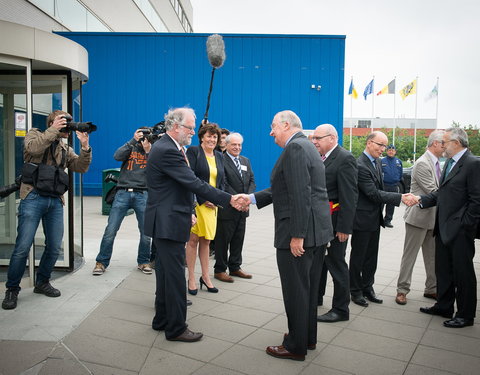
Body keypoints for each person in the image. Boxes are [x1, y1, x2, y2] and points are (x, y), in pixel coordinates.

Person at [144, 107, 243, 342]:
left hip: (169, 218)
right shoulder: (168, 149)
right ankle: (176, 328)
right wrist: (228, 198)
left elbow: (177, 186)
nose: (193, 132)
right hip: (168, 221)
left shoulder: (172, 147)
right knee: (176, 275)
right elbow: (193, 182)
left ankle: (161, 319)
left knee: (166, 273)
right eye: (190, 127)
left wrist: (188, 209)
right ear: (176, 127)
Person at [241, 110, 333, 361]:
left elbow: (301, 195)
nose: (270, 132)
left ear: (285, 125)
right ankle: (306, 338)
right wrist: (250, 199)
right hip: (317, 232)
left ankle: (295, 346)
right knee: (309, 288)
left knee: (296, 290)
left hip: (299, 233)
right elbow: (286, 188)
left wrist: (297, 236)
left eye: (273, 127)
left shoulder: (295, 149)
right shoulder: (307, 146)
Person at [2, 110, 92, 310]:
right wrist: (53, 130)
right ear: (53, 122)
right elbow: (33, 149)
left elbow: (80, 166)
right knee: (22, 247)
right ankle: (12, 289)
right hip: (32, 197)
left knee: (53, 247)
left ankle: (42, 282)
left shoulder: (64, 147)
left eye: (69, 122)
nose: (69, 126)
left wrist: (85, 147)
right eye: (64, 122)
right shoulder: (35, 134)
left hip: (54, 201)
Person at [418, 127, 480, 328]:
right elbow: (443, 194)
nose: (441, 146)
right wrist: (420, 200)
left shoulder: (472, 163)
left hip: (460, 231)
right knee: (443, 270)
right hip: (443, 228)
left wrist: (465, 225)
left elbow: (476, 200)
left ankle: (465, 314)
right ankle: (444, 306)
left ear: (457, 142)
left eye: (444, 142)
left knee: (463, 274)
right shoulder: (450, 163)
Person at [349, 131, 416, 308]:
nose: (383, 149)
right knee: (359, 257)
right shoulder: (360, 165)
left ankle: (367, 287)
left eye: (385, 146)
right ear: (369, 143)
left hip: (374, 218)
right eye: (380, 145)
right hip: (362, 219)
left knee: (371, 257)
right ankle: (355, 291)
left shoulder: (377, 162)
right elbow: (372, 193)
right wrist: (400, 197)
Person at [312, 124, 358, 323]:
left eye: (318, 138)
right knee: (319, 262)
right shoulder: (320, 156)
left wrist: (344, 227)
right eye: (313, 138)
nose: (314, 142)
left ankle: (341, 309)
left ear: (332, 138)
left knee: (336, 263)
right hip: (320, 221)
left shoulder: (344, 158)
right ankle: (316, 297)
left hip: (335, 222)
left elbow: (349, 196)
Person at [92, 128, 152, 276]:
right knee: (111, 230)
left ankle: (143, 261)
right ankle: (101, 262)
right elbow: (117, 156)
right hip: (123, 192)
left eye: (146, 135)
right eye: (141, 134)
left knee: (146, 232)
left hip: (143, 193)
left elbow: (158, 168)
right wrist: (132, 140)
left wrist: (148, 150)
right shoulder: (130, 147)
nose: (143, 137)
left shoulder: (153, 150)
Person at [395, 130, 445, 305]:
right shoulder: (423, 163)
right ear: (435, 144)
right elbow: (434, 190)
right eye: (443, 143)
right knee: (410, 256)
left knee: (432, 257)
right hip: (418, 218)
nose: (445, 146)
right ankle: (402, 290)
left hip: (433, 218)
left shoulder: (438, 163)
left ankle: (431, 289)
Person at [185, 123, 225, 295]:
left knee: (207, 241)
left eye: (214, 137)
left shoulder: (219, 156)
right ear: (202, 137)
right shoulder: (193, 152)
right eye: (209, 136)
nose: (212, 139)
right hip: (198, 203)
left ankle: (206, 277)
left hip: (212, 206)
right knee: (193, 240)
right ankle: (192, 278)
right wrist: (205, 198)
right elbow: (190, 178)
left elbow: (222, 182)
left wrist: (217, 200)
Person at [214, 132, 256, 283]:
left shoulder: (245, 160)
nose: (237, 147)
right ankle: (220, 269)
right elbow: (223, 183)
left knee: (239, 239)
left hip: (243, 208)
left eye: (239, 145)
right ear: (226, 144)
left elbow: (251, 180)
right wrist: (236, 200)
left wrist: (247, 199)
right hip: (228, 208)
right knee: (223, 240)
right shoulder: (220, 159)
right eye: (234, 144)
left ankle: (235, 267)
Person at [381, 144, 403, 227]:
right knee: (381, 204)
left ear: (395, 152)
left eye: (392, 150)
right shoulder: (382, 161)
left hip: (394, 186)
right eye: (389, 150)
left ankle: (387, 221)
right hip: (384, 185)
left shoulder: (398, 161)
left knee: (391, 205)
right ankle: (379, 219)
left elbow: (400, 173)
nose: (391, 152)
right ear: (387, 151)